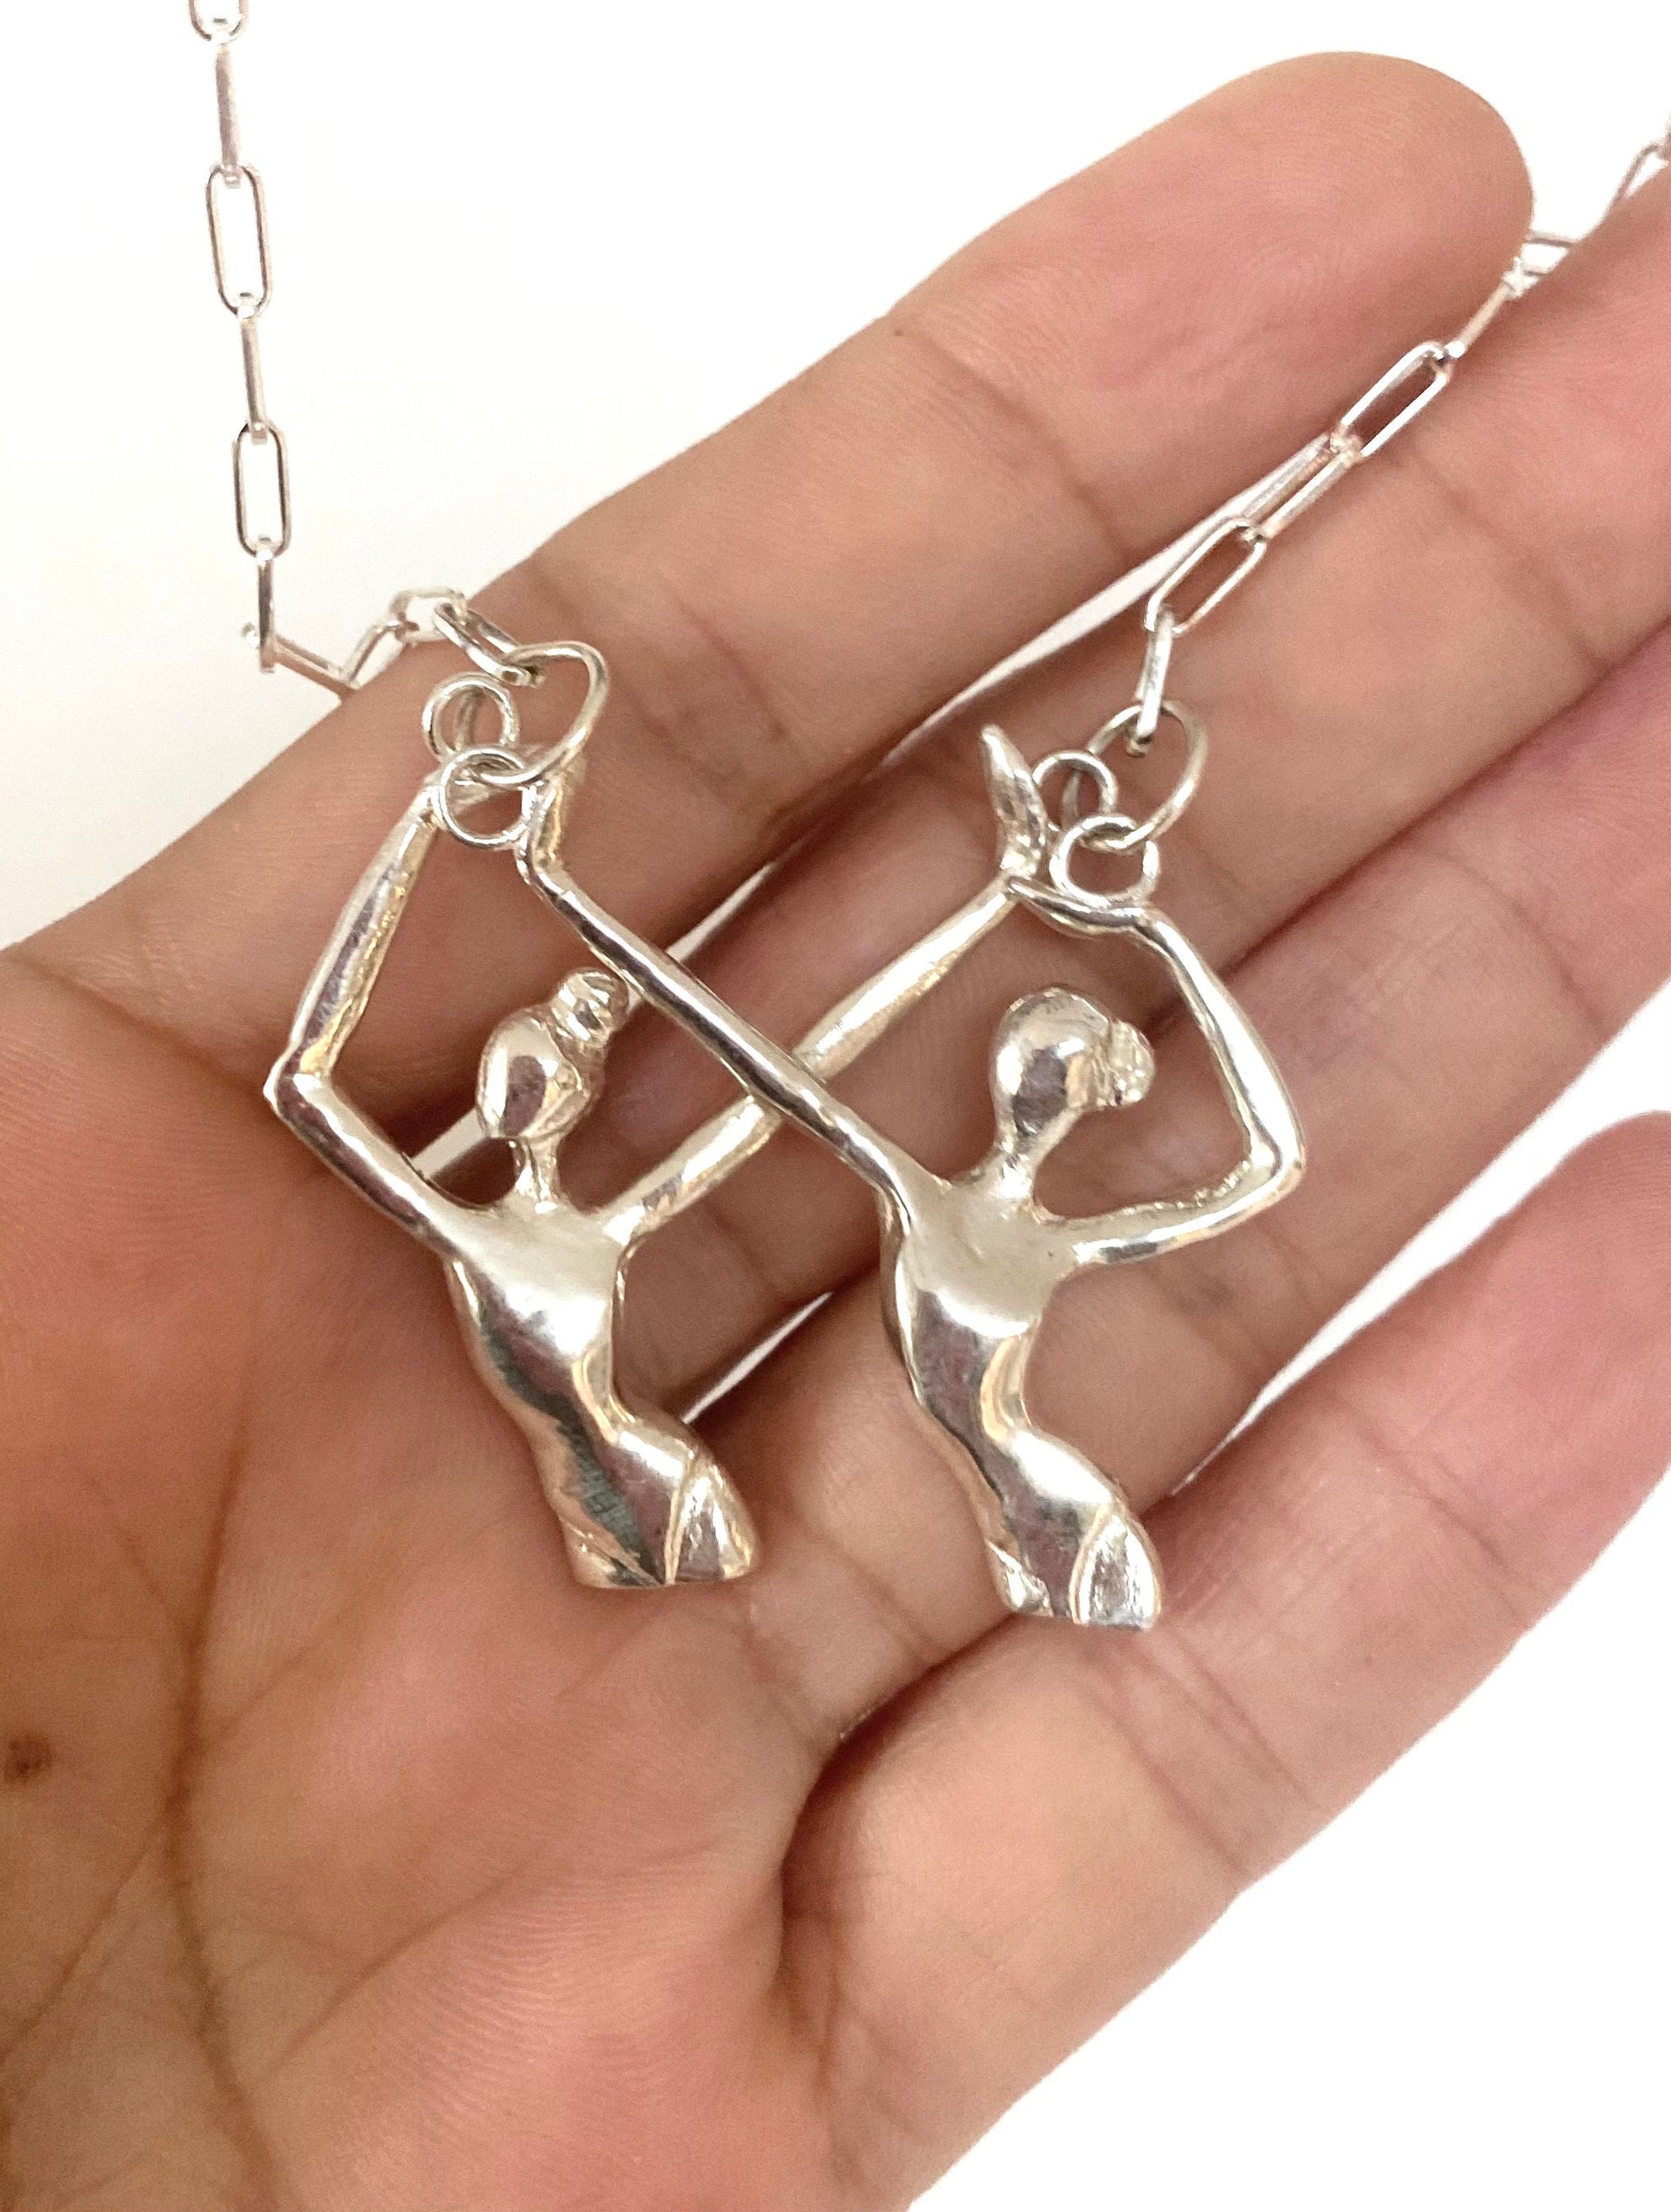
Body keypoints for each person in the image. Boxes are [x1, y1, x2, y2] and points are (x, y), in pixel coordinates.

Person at [2, 56, 1664, 2212]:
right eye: (547, 1052)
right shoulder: (582, 1218)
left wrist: (1049, 910)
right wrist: (477, 850)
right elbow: (603, 1059)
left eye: (552, 1050)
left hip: (907, 1496)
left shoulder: (855, 1211)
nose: (543, 1062)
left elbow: (821, 1059)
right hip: (675, 1500)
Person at [520, 728, 1305, 1625]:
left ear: (1070, 1102)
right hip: (1022, 1511)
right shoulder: (933, 1200)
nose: (1025, 1082)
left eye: (1045, 1069)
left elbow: (1274, 1164)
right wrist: (560, 892)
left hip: (1059, 1516)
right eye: (1025, 1058)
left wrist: (1163, 938)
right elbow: (768, 1051)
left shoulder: (1042, 1238)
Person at [266, 773, 1031, 1590]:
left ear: (580, 1093)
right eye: (520, 1057)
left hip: (663, 1495)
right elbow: (300, 1084)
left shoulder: (585, 1232)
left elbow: (809, 1067)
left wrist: (989, 906)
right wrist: (419, 824)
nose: (526, 1078)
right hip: (600, 1509)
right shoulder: (470, 1232)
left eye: (550, 1060)